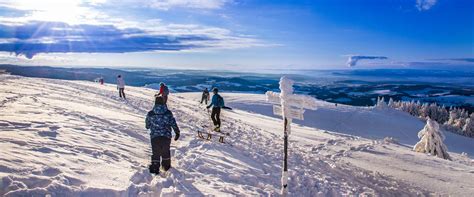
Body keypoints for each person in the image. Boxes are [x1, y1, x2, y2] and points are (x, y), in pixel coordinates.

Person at [145, 96, 180, 174]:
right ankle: (166, 167)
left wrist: (152, 125)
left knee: (156, 152)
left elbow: (147, 126)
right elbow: (173, 123)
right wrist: (177, 132)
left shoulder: (150, 113)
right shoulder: (168, 113)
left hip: (154, 136)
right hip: (166, 136)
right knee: (165, 151)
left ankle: (155, 167)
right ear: (163, 102)